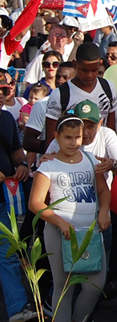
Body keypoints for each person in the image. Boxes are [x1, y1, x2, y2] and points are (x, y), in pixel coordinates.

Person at [29, 110, 111, 322]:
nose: (73, 142)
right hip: (59, 232)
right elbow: (35, 203)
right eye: (67, 137)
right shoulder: (49, 165)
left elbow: (103, 191)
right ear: (56, 137)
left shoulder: (92, 160)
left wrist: (104, 211)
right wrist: (60, 222)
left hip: (89, 232)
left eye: (77, 137)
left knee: (95, 285)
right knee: (63, 286)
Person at [43, 43, 117, 151]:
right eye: (85, 70)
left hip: (100, 160)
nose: (90, 75)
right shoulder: (60, 95)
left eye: (94, 70)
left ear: (100, 64)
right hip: (70, 160)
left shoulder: (109, 88)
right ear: (75, 65)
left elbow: (111, 129)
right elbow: (51, 139)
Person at [0, 94, 33, 322]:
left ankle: (17, 309)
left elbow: (15, 151)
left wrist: (21, 165)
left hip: (4, 198)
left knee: (8, 254)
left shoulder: (5, 118)